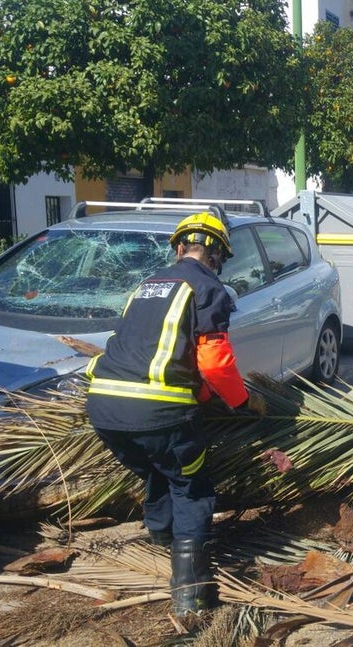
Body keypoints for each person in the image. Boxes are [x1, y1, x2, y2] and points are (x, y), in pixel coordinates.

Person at [85, 211, 265, 618]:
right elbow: (216, 363)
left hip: (105, 409)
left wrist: (197, 390)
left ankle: (162, 543)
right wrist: (242, 402)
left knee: (160, 469)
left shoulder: (147, 285)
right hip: (159, 413)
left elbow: (147, 348)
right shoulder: (208, 288)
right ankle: (191, 595)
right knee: (191, 489)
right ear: (218, 255)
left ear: (179, 247)